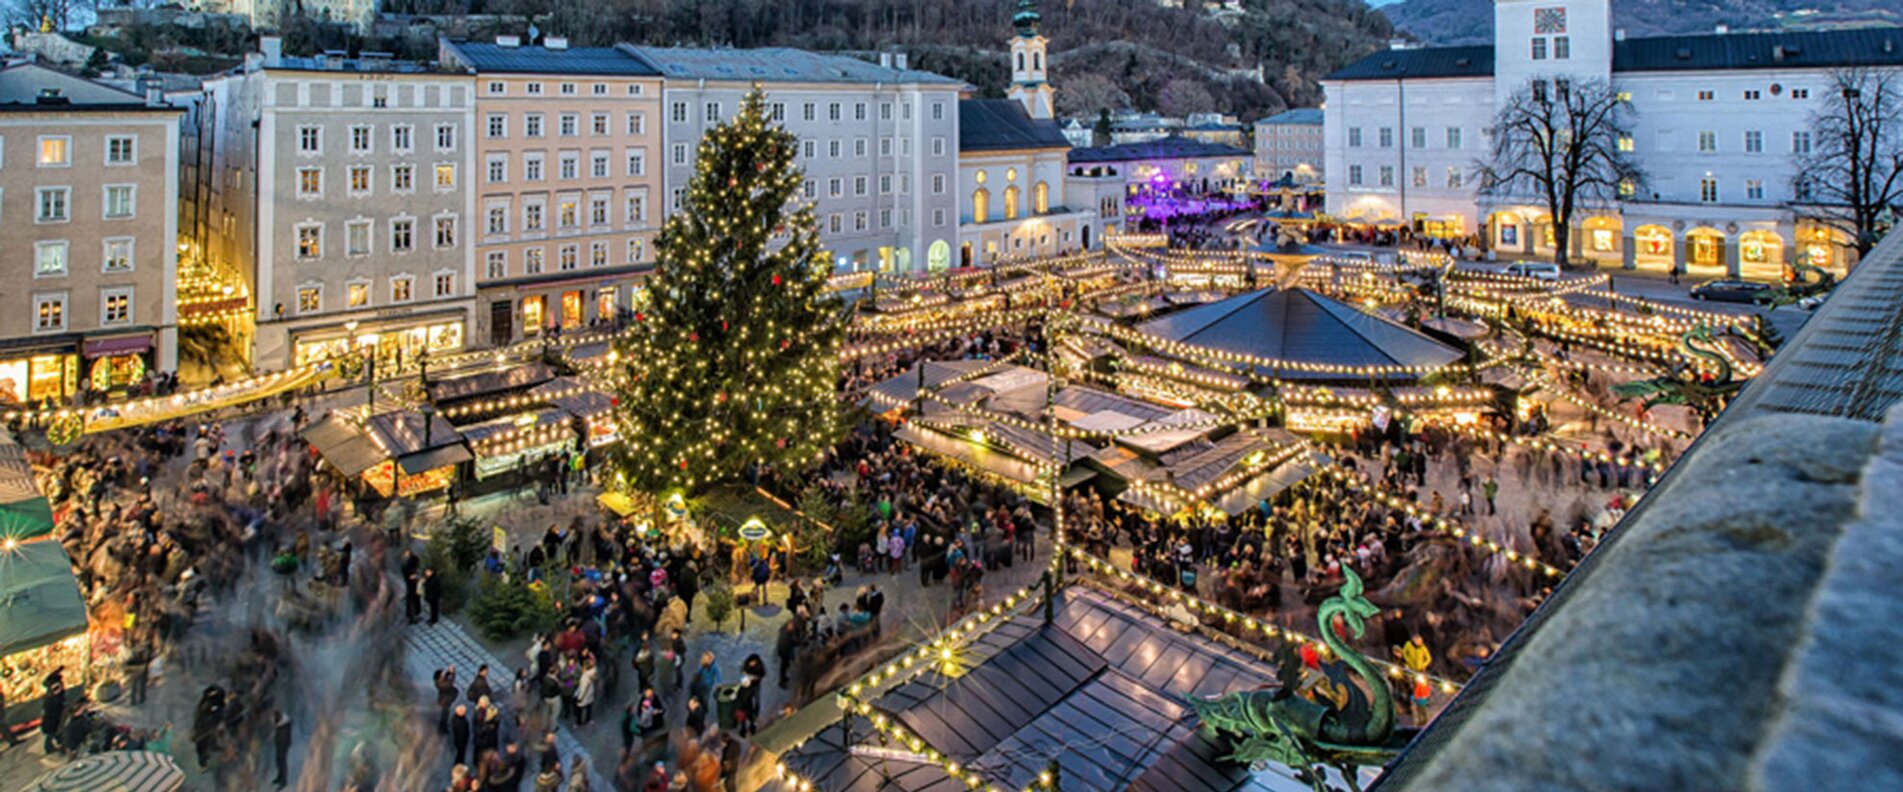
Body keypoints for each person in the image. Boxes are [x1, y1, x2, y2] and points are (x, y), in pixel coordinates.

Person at [41, 669, 66, 754]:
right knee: (54, 732)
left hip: (52, 716)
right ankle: (54, 746)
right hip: (53, 716)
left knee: (52, 733)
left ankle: (51, 746)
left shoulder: (50, 691)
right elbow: (58, 696)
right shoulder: (55, 688)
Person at [271, 709, 293, 787]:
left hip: (282, 747)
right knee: (278, 762)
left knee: (282, 763)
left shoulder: (283, 726)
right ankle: (280, 777)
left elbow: (283, 738)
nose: (272, 720)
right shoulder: (281, 725)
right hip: (280, 746)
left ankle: (283, 782)